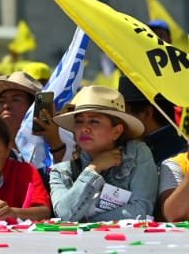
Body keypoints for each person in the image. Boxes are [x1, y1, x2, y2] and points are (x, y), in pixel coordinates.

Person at [49, 86, 157, 223]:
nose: (84, 129)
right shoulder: (60, 172)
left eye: (94, 121)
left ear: (116, 132)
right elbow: (64, 216)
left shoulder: (136, 153)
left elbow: (142, 210)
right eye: (79, 121)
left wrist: (85, 221)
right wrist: (94, 168)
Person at [0, 71, 66, 169]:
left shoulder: (61, 143)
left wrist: (55, 142)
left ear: (33, 108)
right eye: (2, 101)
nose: (6, 106)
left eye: (15, 100)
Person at [119, 75, 186, 165]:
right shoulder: (182, 142)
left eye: (125, 113)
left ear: (146, 113)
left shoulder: (160, 158)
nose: (120, 120)